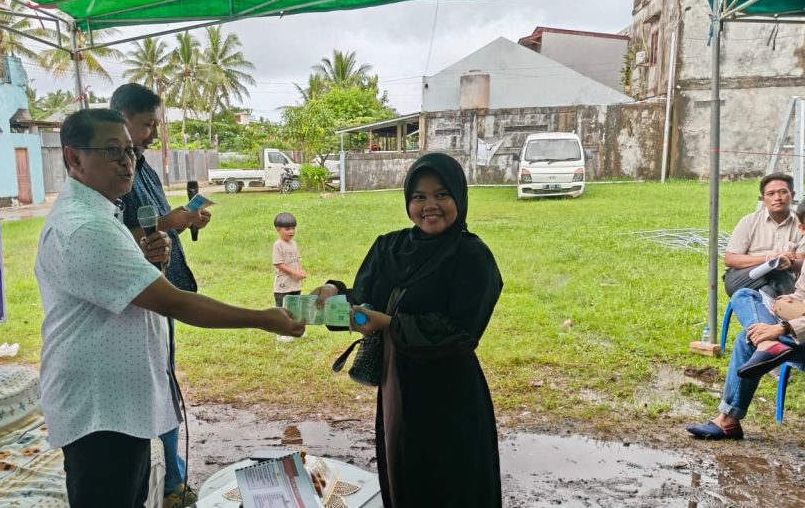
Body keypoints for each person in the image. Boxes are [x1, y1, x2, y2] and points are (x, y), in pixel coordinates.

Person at [35, 108, 304, 508]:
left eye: (130, 151)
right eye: (112, 151)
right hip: (100, 410)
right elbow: (174, 301)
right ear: (74, 158)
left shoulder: (101, 213)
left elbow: (133, 293)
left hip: (118, 403)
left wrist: (150, 261)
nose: (127, 162)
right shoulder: (85, 227)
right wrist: (262, 318)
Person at [309, 153, 503, 507]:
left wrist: (387, 324)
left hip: (448, 394)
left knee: (450, 481)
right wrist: (333, 292)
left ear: (459, 197)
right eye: (419, 196)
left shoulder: (472, 256)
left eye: (441, 195)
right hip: (396, 385)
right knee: (403, 472)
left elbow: (461, 332)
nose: (430, 206)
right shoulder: (390, 247)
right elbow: (364, 298)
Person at [110, 82, 208, 507]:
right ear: (122, 120)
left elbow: (155, 225)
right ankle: (168, 481)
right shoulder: (111, 177)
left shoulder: (143, 167)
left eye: (156, 125)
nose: (153, 133)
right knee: (154, 386)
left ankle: (170, 475)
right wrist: (168, 223)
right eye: (147, 124)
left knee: (163, 380)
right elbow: (113, 238)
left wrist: (186, 220)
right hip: (139, 296)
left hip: (163, 287)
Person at [688, 202, 805, 440]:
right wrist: (787, 302)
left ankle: (728, 421)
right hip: (796, 329)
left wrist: (782, 327)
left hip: (798, 334)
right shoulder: (751, 222)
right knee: (744, 295)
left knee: (747, 337)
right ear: (802, 229)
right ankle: (766, 344)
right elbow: (802, 296)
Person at [723, 173, 805, 297]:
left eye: (783, 192)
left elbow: (802, 263)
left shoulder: (801, 224)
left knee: (769, 290)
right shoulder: (749, 221)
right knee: (774, 270)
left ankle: (771, 305)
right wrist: (767, 260)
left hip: (783, 278)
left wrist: (789, 263)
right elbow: (730, 259)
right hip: (744, 278)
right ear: (762, 199)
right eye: (770, 194)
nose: (777, 198)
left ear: (792, 195)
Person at [273, 212, 306, 343]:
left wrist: (300, 271)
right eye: (287, 229)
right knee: (283, 309)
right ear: (278, 229)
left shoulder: (294, 244)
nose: (291, 231)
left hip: (295, 283)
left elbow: (298, 260)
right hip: (283, 285)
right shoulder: (278, 244)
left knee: (295, 307)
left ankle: (294, 330)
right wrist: (293, 273)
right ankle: (281, 333)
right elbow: (278, 263)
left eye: (293, 228)